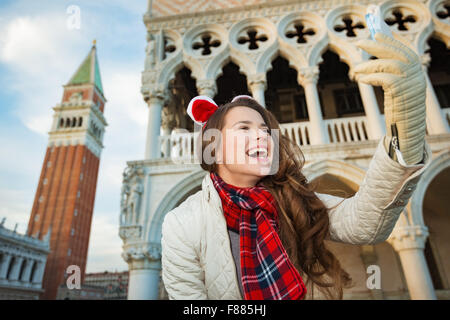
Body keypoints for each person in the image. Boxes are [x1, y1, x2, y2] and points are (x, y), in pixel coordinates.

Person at [160, 33, 432, 300]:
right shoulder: (182, 223)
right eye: (244, 128)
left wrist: (406, 131)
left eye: (266, 130)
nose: (263, 136)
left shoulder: (291, 198)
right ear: (213, 146)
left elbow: (365, 224)